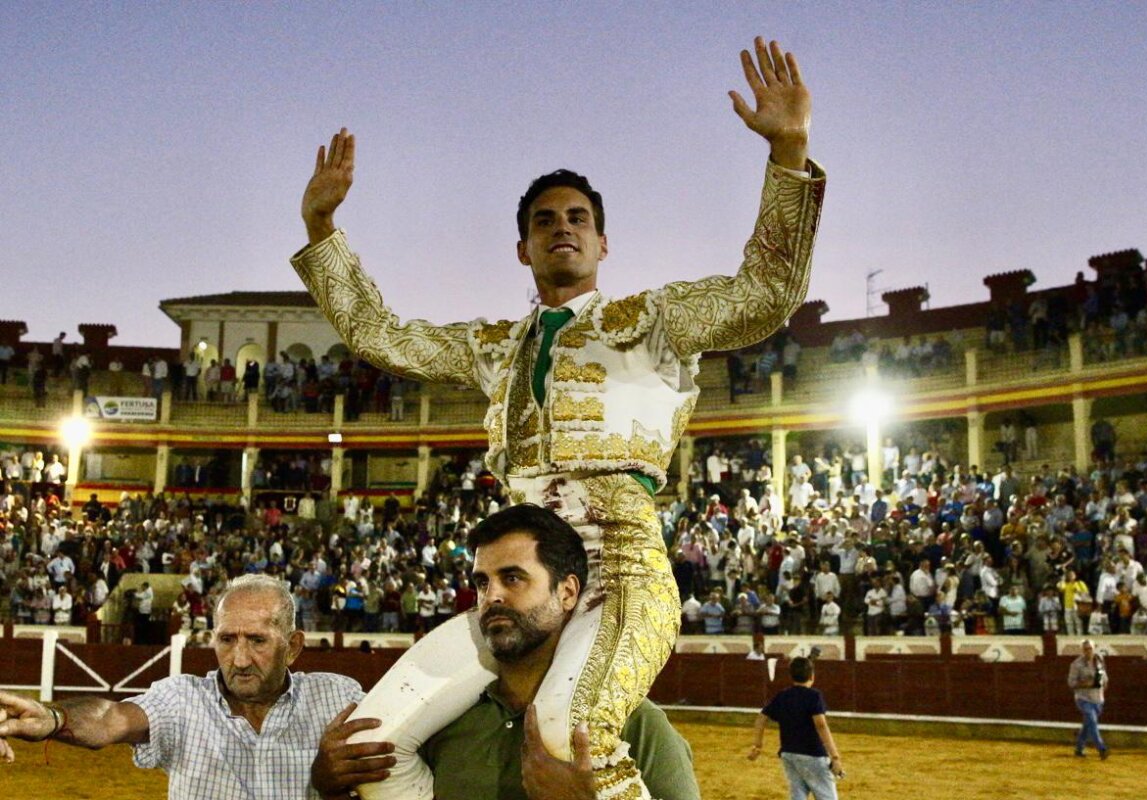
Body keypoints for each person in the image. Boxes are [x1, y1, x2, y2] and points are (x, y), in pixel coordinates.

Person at [291, 36, 823, 800]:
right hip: (519, 580)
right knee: (373, 743)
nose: (562, 227)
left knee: (569, 742)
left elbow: (766, 294)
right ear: (523, 248)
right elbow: (381, 335)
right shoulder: (493, 347)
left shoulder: (654, 320)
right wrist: (322, 231)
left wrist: (790, 153)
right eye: (545, 221)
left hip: (622, 569)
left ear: (604, 242)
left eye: (577, 217)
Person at [311, 504, 700, 800]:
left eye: (512, 578)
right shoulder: (441, 721)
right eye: (482, 582)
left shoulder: (640, 725)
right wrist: (331, 786)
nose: (491, 595)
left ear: (567, 592)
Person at [0, 574, 364, 796]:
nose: (238, 659)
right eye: (226, 640)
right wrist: (53, 718)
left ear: (293, 647)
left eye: (257, 640)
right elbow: (111, 717)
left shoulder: (337, 697)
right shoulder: (182, 698)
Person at [748, 655, 844, 800]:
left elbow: (761, 718)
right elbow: (821, 725)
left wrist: (758, 745)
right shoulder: (814, 696)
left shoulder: (782, 696)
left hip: (789, 755)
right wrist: (835, 757)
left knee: (797, 796)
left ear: (791, 676)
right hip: (813, 755)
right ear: (812, 676)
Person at [1068, 639, 1110, 759]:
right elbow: (1071, 683)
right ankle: (1101, 748)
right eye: (1085, 649)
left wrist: (1101, 690)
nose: (1088, 651)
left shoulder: (1099, 662)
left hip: (1098, 700)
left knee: (1088, 725)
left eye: (1090, 648)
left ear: (1093, 648)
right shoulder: (1076, 664)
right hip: (1083, 699)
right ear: (1082, 651)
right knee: (1092, 721)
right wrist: (1086, 683)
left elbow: (1105, 680)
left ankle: (1078, 749)